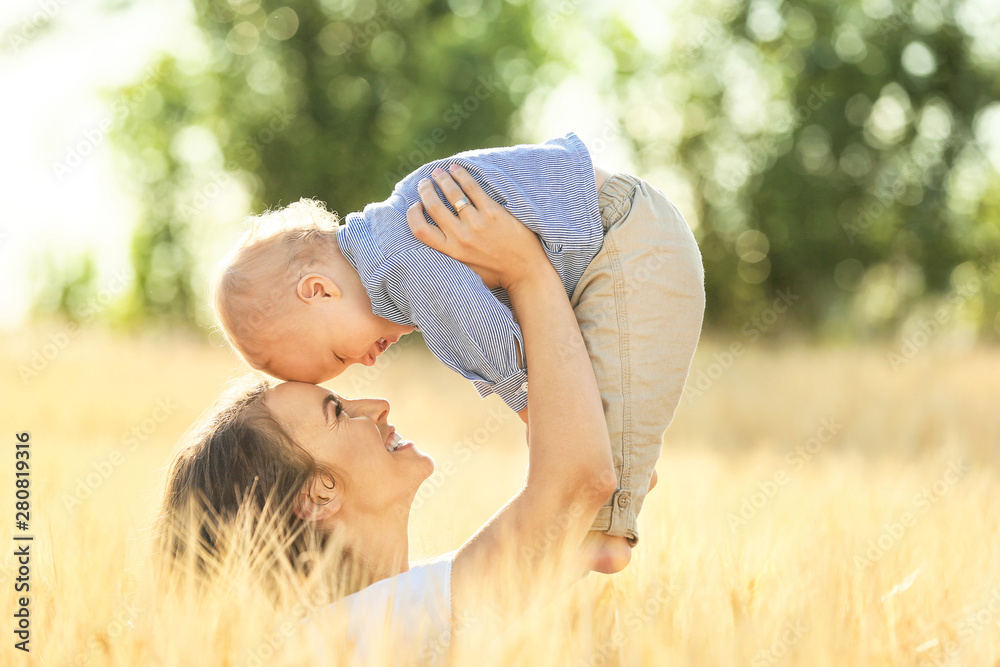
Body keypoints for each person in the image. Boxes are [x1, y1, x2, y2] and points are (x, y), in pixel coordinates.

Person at [156, 175, 637, 664]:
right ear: (314, 495)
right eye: (337, 412)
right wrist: (525, 268)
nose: (377, 406)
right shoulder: (353, 631)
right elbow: (584, 480)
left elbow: (583, 503)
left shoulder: (367, 621)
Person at [212, 133, 705, 571]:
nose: (366, 363)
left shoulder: (415, 272)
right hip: (621, 229)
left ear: (318, 290)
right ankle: (625, 468)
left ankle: (620, 486)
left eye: (340, 357)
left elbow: (526, 371)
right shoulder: (394, 234)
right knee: (595, 470)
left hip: (623, 239)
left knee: (598, 538)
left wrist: (558, 438)